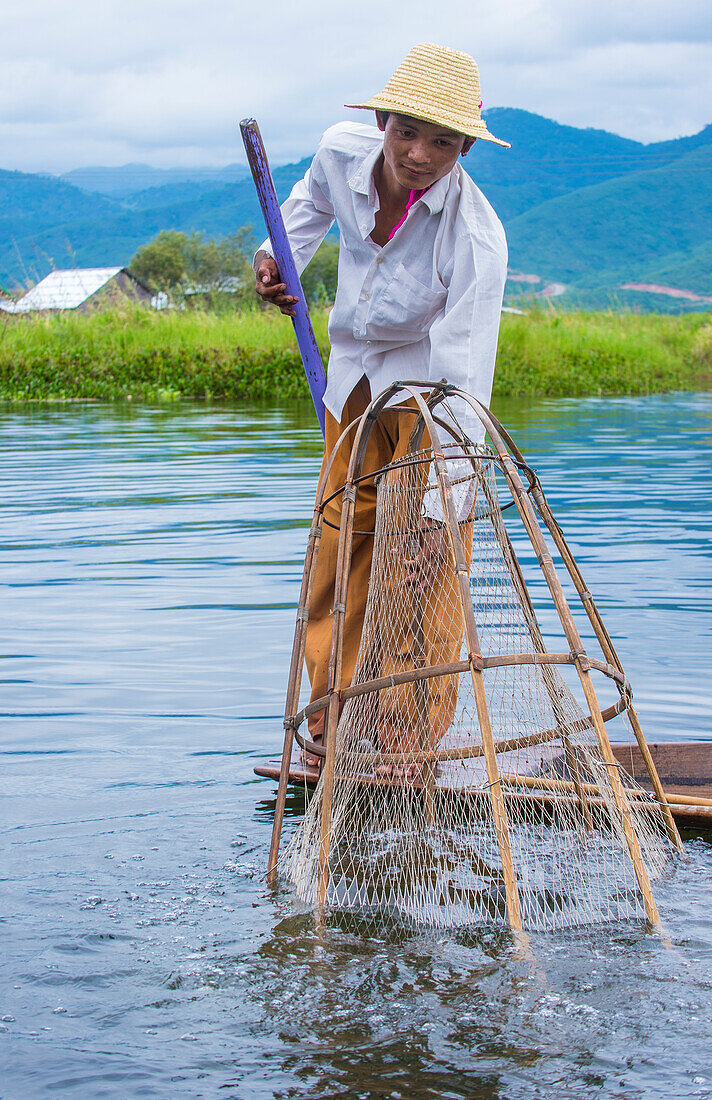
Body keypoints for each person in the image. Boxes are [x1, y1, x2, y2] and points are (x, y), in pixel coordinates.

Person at [254, 43, 509, 775]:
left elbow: (467, 382)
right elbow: (295, 223)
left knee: (421, 573)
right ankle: (333, 714)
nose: (420, 154)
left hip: (430, 401)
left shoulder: (475, 237)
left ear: (465, 148)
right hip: (352, 385)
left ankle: (407, 736)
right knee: (338, 546)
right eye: (406, 131)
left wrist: (440, 510)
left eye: (443, 142)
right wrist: (274, 267)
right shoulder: (340, 153)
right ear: (382, 119)